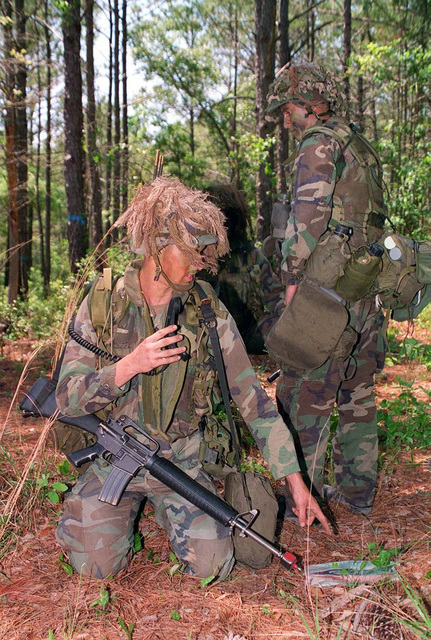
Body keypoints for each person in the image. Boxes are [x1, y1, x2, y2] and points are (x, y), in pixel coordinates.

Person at [55, 176, 330, 580]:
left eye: (206, 253)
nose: (201, 263)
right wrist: (128, 366)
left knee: (214, 567)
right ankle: (88, 517)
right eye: (192, 252)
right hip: (113, 459)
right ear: (156, 245)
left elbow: (252, 400)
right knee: (95, 569)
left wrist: (294, 478)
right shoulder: (103, 305)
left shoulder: (206, 311)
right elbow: (65, 400)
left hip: (178, 462)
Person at [265, 61, 388, 516]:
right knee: (357, 390)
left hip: (327, 287)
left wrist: (293, 281)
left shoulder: (319, 145)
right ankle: (357, 493)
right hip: (364, 285)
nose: (284, 119)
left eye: (287, 108)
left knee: (307, 387)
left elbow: (308, 218)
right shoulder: (359, 145)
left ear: (308, 106)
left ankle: (303, 495)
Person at [201, 183, 284, 353]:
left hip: (246, 333)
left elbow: (276, 295)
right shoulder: (197, 257)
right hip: (206, 336)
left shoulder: (249, 256)